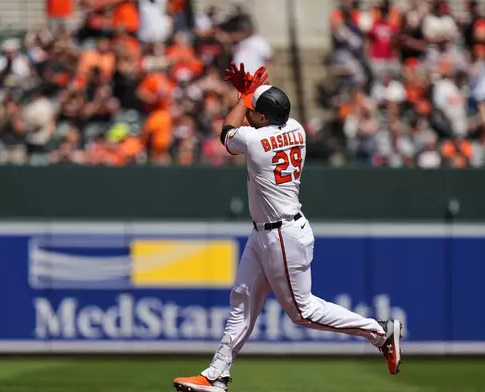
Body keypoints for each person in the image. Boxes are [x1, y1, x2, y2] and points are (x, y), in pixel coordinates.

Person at [172, 63, 403, 392]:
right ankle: (216, 375)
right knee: (242, 299)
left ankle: (379, 333)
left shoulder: (254, 141)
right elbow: (265, 115)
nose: (250, 114)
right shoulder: (296, 127)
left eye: (254, 112)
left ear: (264, 118)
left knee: (302, 312)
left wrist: (244, 97)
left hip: (281, 234)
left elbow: (226, 132)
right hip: (269, 231)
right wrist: (252, 97)